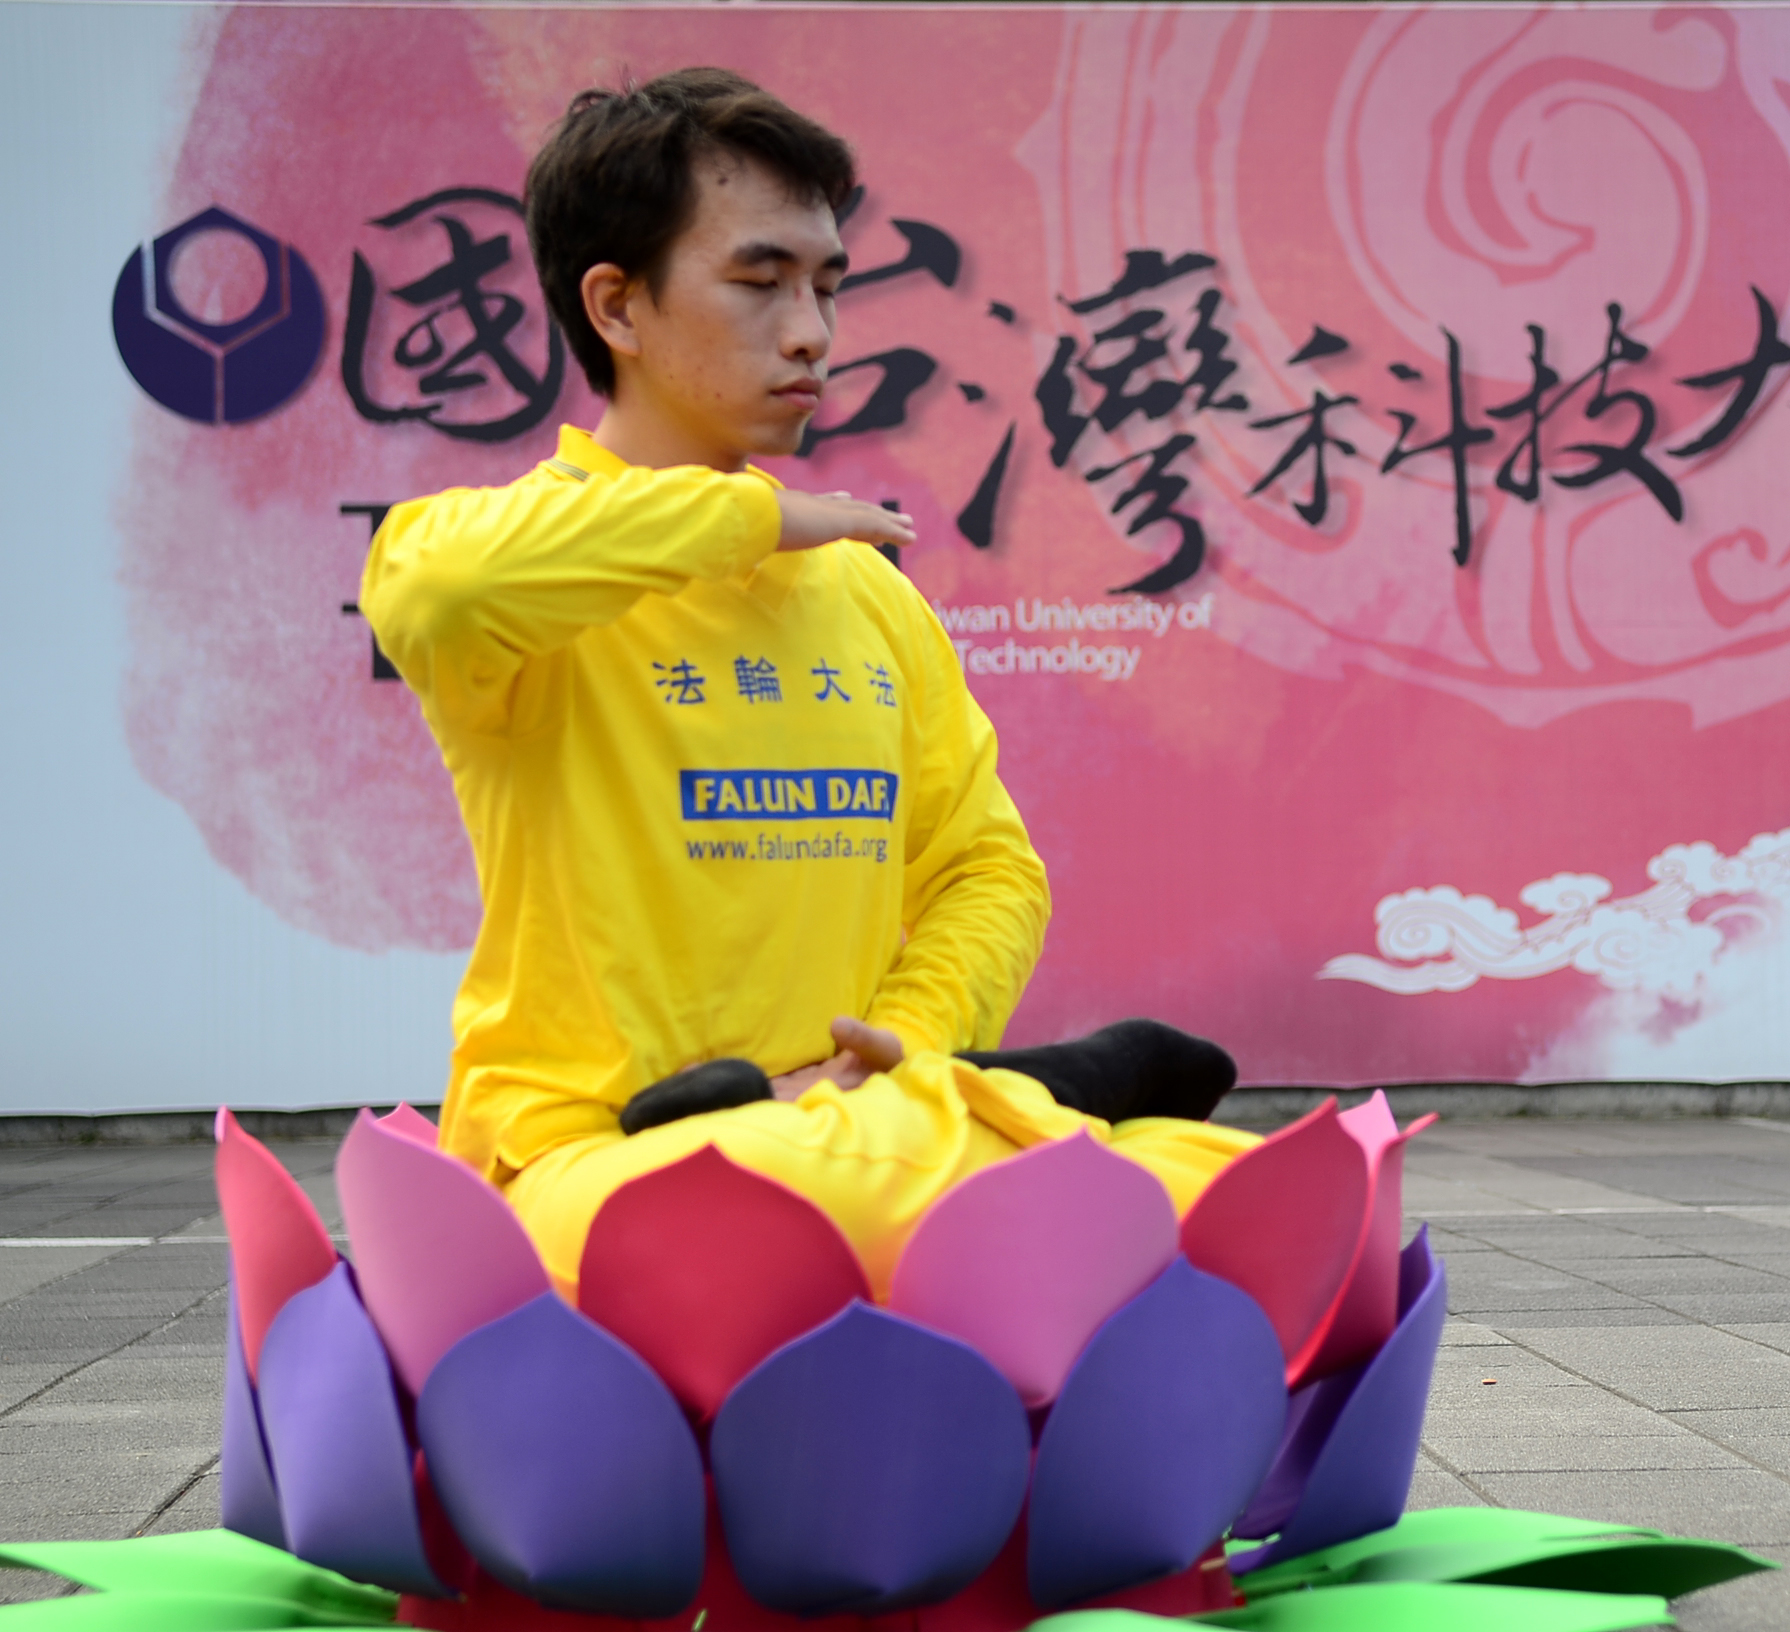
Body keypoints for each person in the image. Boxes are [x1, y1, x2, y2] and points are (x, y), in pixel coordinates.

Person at [361, 68, 1250, 1292]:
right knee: (783, 1199)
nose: (812, 334)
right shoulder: (503, 560)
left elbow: (987, 870)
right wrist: (745, 518)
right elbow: (439, 592)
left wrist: (901, 1045)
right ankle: (992, 1113)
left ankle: (946, 1113)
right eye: (759, 280)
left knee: (1221, 1184)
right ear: (617, 307)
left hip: (848, 1122)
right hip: (586, 1152)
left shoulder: (865, 592)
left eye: (827, 286)